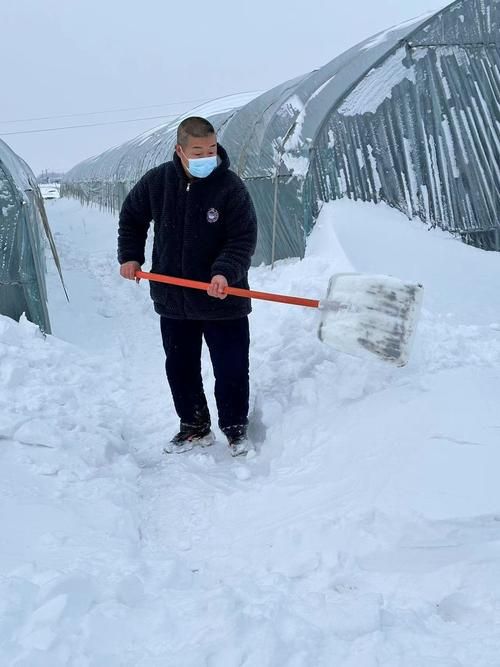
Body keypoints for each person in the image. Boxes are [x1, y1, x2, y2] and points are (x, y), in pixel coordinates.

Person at [118, 116, 258, 456]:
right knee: (180, 366)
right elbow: (132, 216)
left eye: (211, 149)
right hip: (175, 297)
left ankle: (235, 427)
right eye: (197, 151)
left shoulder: (230, 187)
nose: (206, 156)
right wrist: (131, 256)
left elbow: (243, 238)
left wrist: (224, 272)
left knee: (231, 365)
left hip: (222, 298)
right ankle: (194, 426)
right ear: (179, 150)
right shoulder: (158, 182)